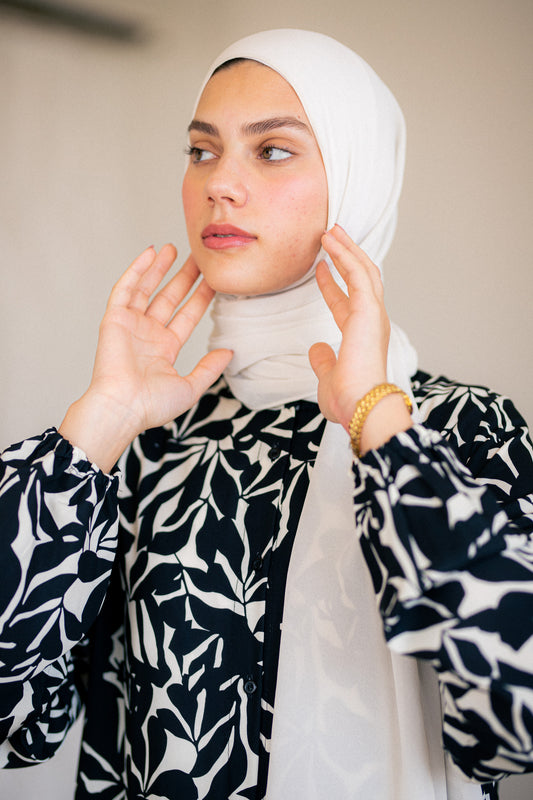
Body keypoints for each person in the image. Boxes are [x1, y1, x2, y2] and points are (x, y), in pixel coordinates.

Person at [0, 28, 532, 800]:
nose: (220, 183)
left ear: (357, 179)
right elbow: (16, 722)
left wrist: (378, 427)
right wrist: (100, 422)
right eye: (201, 150)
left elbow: (516, 718)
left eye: (272, 150)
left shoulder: (457, 429)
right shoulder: (149, 444)